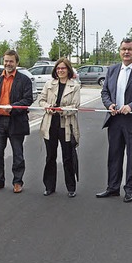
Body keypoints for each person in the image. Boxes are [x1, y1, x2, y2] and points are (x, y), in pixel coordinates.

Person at [96, 38, 132, 203]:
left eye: (129, 49)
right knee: (114, 155)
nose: (126, 52)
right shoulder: (112, 70)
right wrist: (109, 105)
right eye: (123, 49)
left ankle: (129, 189)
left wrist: (131, 106)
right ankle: (112, 188)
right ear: (119, 51)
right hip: (115, 119)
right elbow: (105, 92)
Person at [0, 49, 33, 193]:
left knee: (17, 154)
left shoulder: (24, 80)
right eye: (6, 61)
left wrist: (13, 107)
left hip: (16, 121)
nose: (8, 63)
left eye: (11, 61)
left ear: (17, 62)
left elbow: (28, 100)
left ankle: (18, 182)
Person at [38, 58, 81, 198]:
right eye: (58, 69)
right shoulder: (49, 84)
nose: (60, 71)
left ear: (68, 70)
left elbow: (75, 106)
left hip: (66, 125)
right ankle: (49, 186)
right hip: (50, 124)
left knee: (68, 157)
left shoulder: (75, 86)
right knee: (50, 156)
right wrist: (47, 107)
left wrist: (61, 110)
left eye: (63, 68)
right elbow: (41, 100)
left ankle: (71, 187)